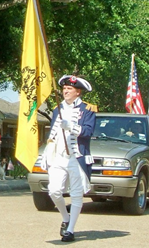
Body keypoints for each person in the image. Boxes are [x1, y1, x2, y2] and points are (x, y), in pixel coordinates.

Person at [43, 75, 96, 242]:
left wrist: (71, 127)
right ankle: (65, 218)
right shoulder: (57, 109)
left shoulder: (88, 109)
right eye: (64, 88)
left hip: (76, 157)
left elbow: (88, 132)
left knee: (76, 194)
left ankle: (70, 230)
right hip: (58, 156)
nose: (65, 91)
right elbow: (53, 134)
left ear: (78, 92)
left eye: (69, 89)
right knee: (54, 191)